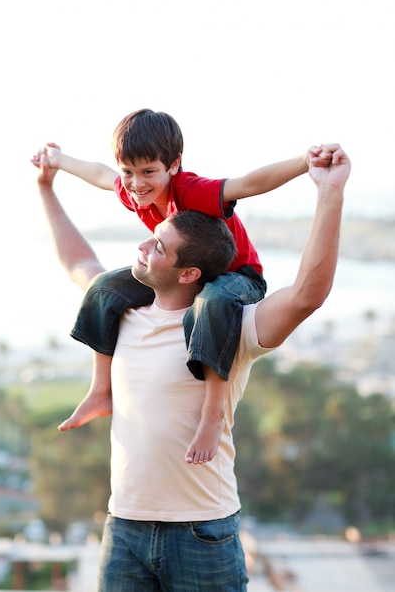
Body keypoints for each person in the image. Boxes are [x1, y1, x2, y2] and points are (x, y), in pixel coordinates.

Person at [35, 143, 351, 591]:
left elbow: (306, 295)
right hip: (124, 528)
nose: (142, 244)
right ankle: (98, 390)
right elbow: (78, 262)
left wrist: (329, 192)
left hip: (203, 533)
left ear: (187, 273)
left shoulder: (234, 327)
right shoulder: (121, 311)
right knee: (99, 283)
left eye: (159, 245)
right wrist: (47, 186)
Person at [32, 108, 324, 464]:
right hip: (181, 272)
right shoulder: (132, 190)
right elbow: (100, 174)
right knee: (105, 287)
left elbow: (249, 184)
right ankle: (100, 389)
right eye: (129, 172)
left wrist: (304, 161)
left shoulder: (190, 190)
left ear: (173, 164)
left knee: (211, 303)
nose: (136, 183)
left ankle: (213, 412)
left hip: (235, 278)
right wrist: (59, 161)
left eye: (148, 172)